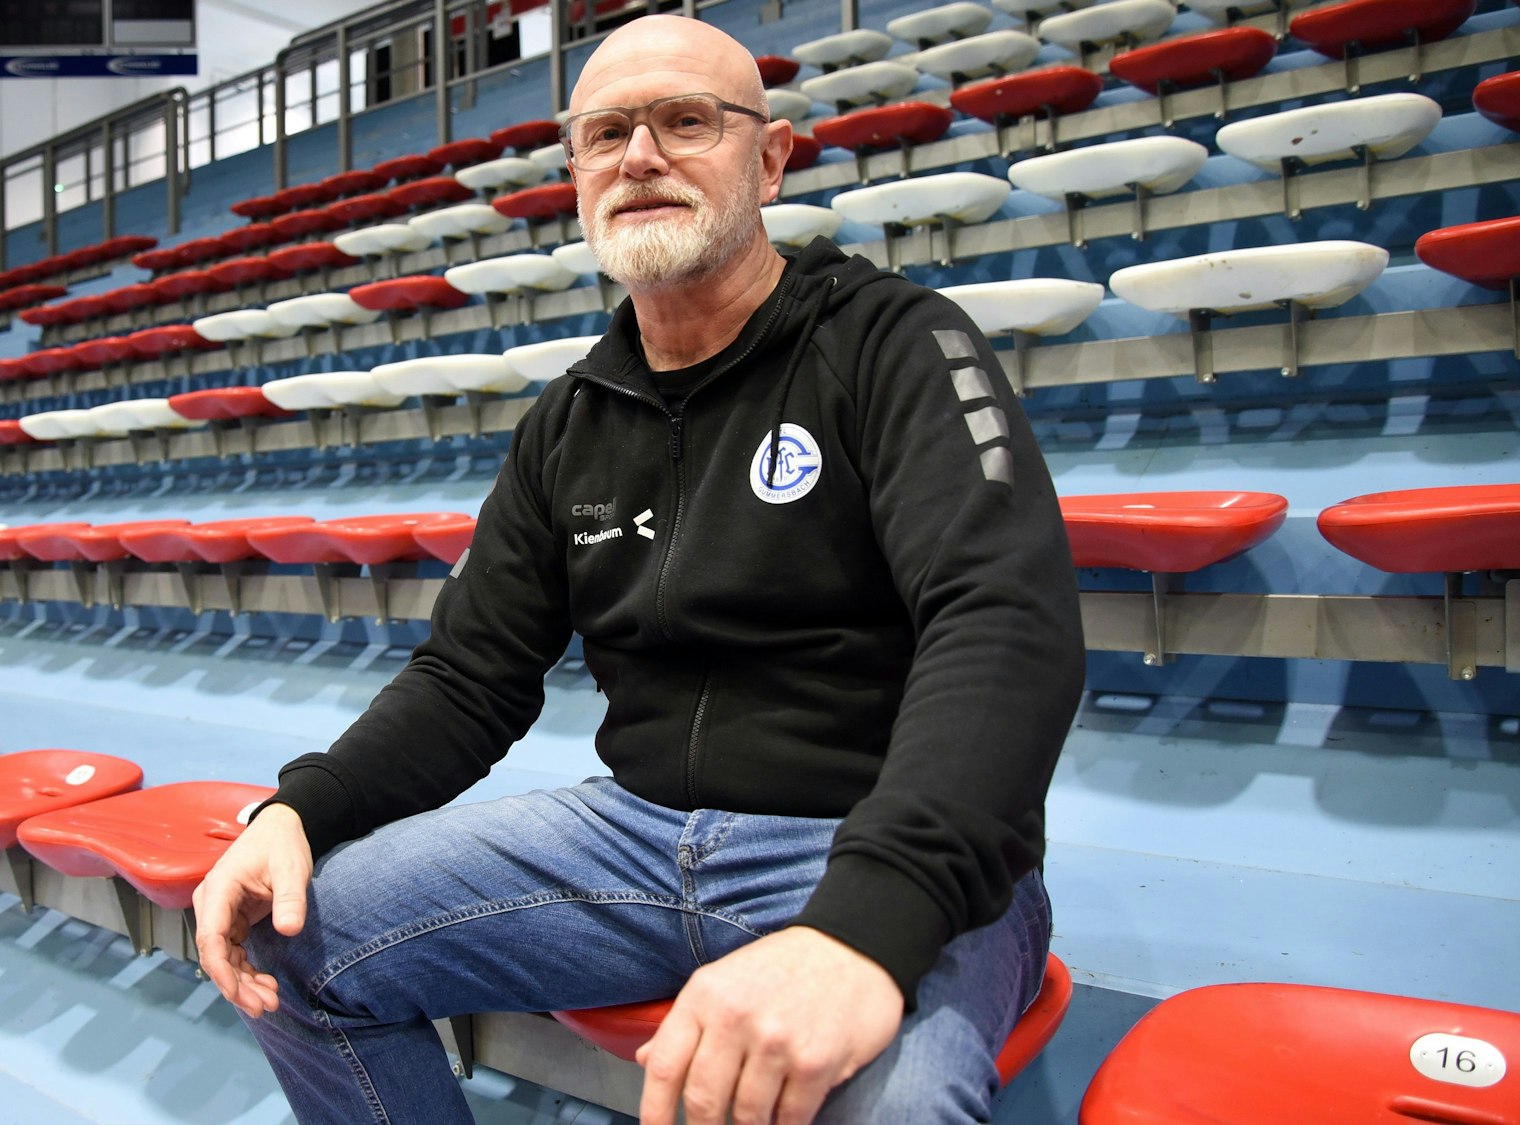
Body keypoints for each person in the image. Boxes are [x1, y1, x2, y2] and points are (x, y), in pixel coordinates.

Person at [192, 14, 1085, 1124]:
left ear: (768, 157)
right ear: (575, 176)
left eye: (684, 121)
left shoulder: (892, 342)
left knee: (894, 1111)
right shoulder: (570, 418)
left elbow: (1002, 624)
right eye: (606, 132)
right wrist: (304, 808)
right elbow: (470, 676)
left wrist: (867, 922)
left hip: (864, 834)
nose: (640, 156)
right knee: (285, 941)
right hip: (634, 834)